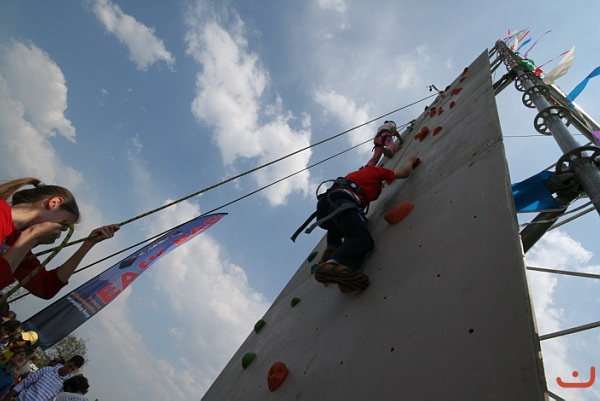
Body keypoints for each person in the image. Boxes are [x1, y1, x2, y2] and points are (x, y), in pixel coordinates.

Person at [0, 178, 120, 299]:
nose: (59, 231)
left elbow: (45, 287)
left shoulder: (15, 242)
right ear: (54, 203)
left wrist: (88, 244)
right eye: (63, 224)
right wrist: (32, 237)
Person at [314, 156, 421, 290]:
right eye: (380, 187)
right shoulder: (375, 171)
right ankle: (333, 263)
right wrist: (411, 160)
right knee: (362, 239)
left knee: (344, 225)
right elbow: (404, 173)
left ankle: (333, 247)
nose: (381, 189)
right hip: (341, 201)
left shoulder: (354, 177)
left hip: (326, 210)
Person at [1, 355, 84, 401]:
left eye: (72, 369)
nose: (69, 370)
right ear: (67, 362)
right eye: (70, 366)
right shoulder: (47, 370)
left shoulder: (66, 386)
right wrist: (7, 398)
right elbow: (24, 383)